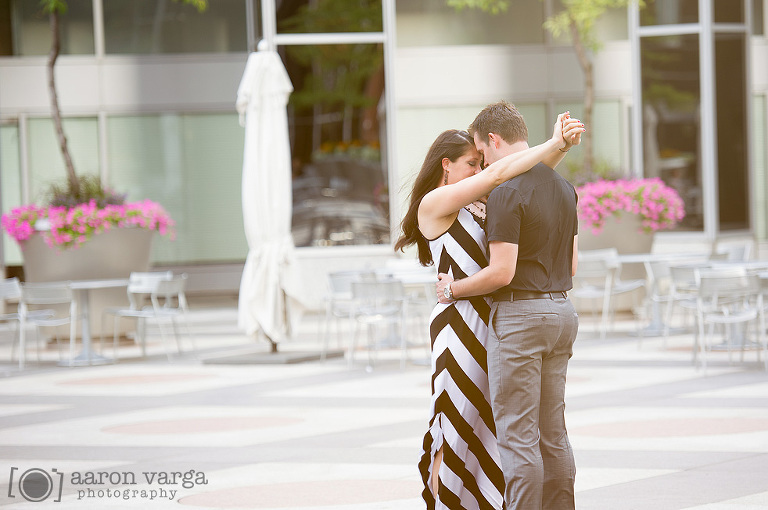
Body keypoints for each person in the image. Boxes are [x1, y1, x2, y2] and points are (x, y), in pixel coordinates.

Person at [395, 111, 583, 510]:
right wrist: (555, 144)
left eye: (481, 161)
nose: (481, 168)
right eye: (471, 163)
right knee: (454, 423)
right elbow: (502, 174)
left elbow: (524, 176)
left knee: (494, 429)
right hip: (459, 324)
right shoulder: (436, 204)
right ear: (446, 165)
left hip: (495, 324)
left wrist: (558, 150)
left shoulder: (484, 200)